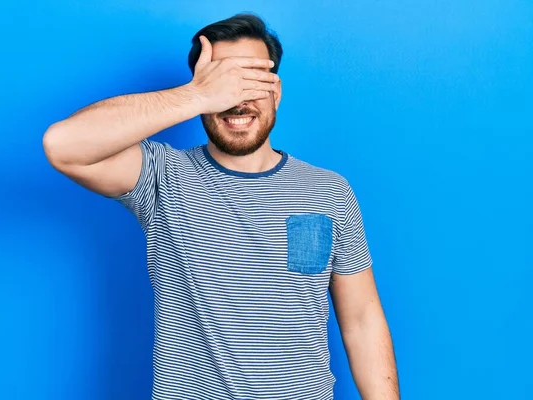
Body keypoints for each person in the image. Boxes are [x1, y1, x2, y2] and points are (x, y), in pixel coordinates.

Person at [43, 12, 399, 400]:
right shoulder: (163, 176)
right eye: (226, 83)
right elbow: (63, 145)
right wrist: (198, 94)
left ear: (276, 91)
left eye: (251, 81)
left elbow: (362, 319)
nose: (237, 99)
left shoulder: (329, 191)